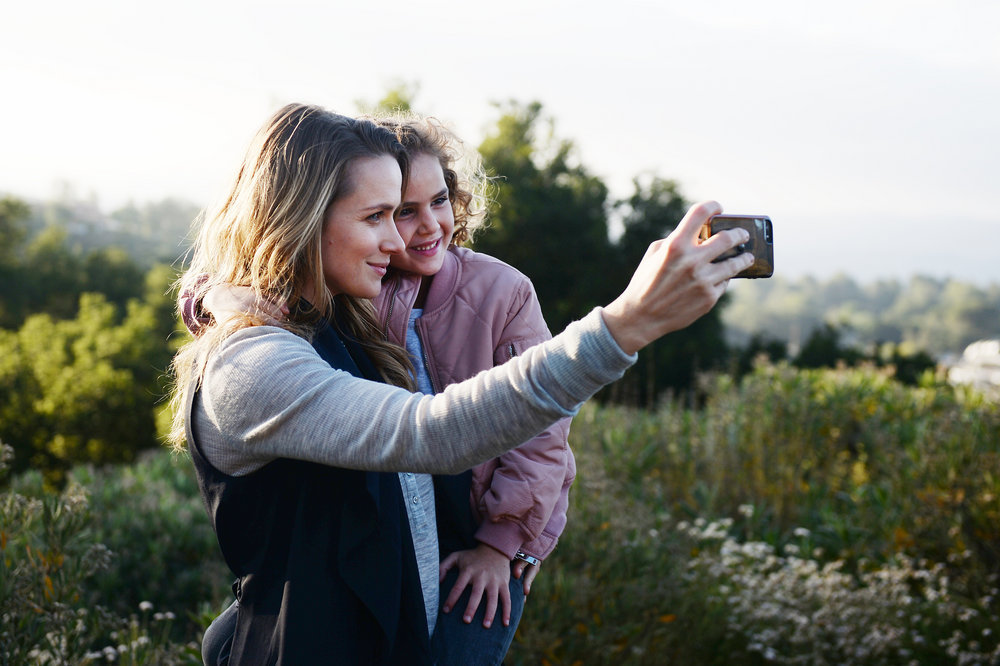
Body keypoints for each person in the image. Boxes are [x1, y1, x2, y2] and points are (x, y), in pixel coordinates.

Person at [171, 102, 753, 665]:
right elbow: (429, 432)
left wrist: (503, 540)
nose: (402, 240)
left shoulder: (334, 316)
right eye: (379, 216)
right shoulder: (251, 363)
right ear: (300, 218)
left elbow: (536, 442)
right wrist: (625, 325)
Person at [194, 113, 575, 665]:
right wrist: (216, 301)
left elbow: (542, 433)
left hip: (481, 530)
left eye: (439, 202)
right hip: (399, 526)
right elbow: (248, 276)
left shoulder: (500, 290)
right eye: (393, 213)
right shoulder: (357, 293)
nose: (418, 230)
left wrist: (503, 543)